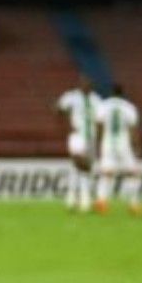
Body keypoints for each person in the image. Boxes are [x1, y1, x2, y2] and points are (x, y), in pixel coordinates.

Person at [93, 86, 142, 216]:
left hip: (108, 143)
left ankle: (101, 201)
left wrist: (98, 144)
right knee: (133, 173)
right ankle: (134, 204)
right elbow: (133, 130)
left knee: (106, 173)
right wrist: (137, 147)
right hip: (123, 143)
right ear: (123, 94)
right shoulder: (129, 107)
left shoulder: (103, 106)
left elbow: (99, 127)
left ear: (112, 93)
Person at [55, 76, 100, 213]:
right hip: (77, 136)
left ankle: (72, 198)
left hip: (91, 136)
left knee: (81, 168)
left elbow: (100, 118)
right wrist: (67, 124)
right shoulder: (72, 97)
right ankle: (85, 200)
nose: (86, 85)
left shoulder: (96, 99)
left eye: (88, 83)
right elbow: (58, 108)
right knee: (80, 164)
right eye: (84, 82)